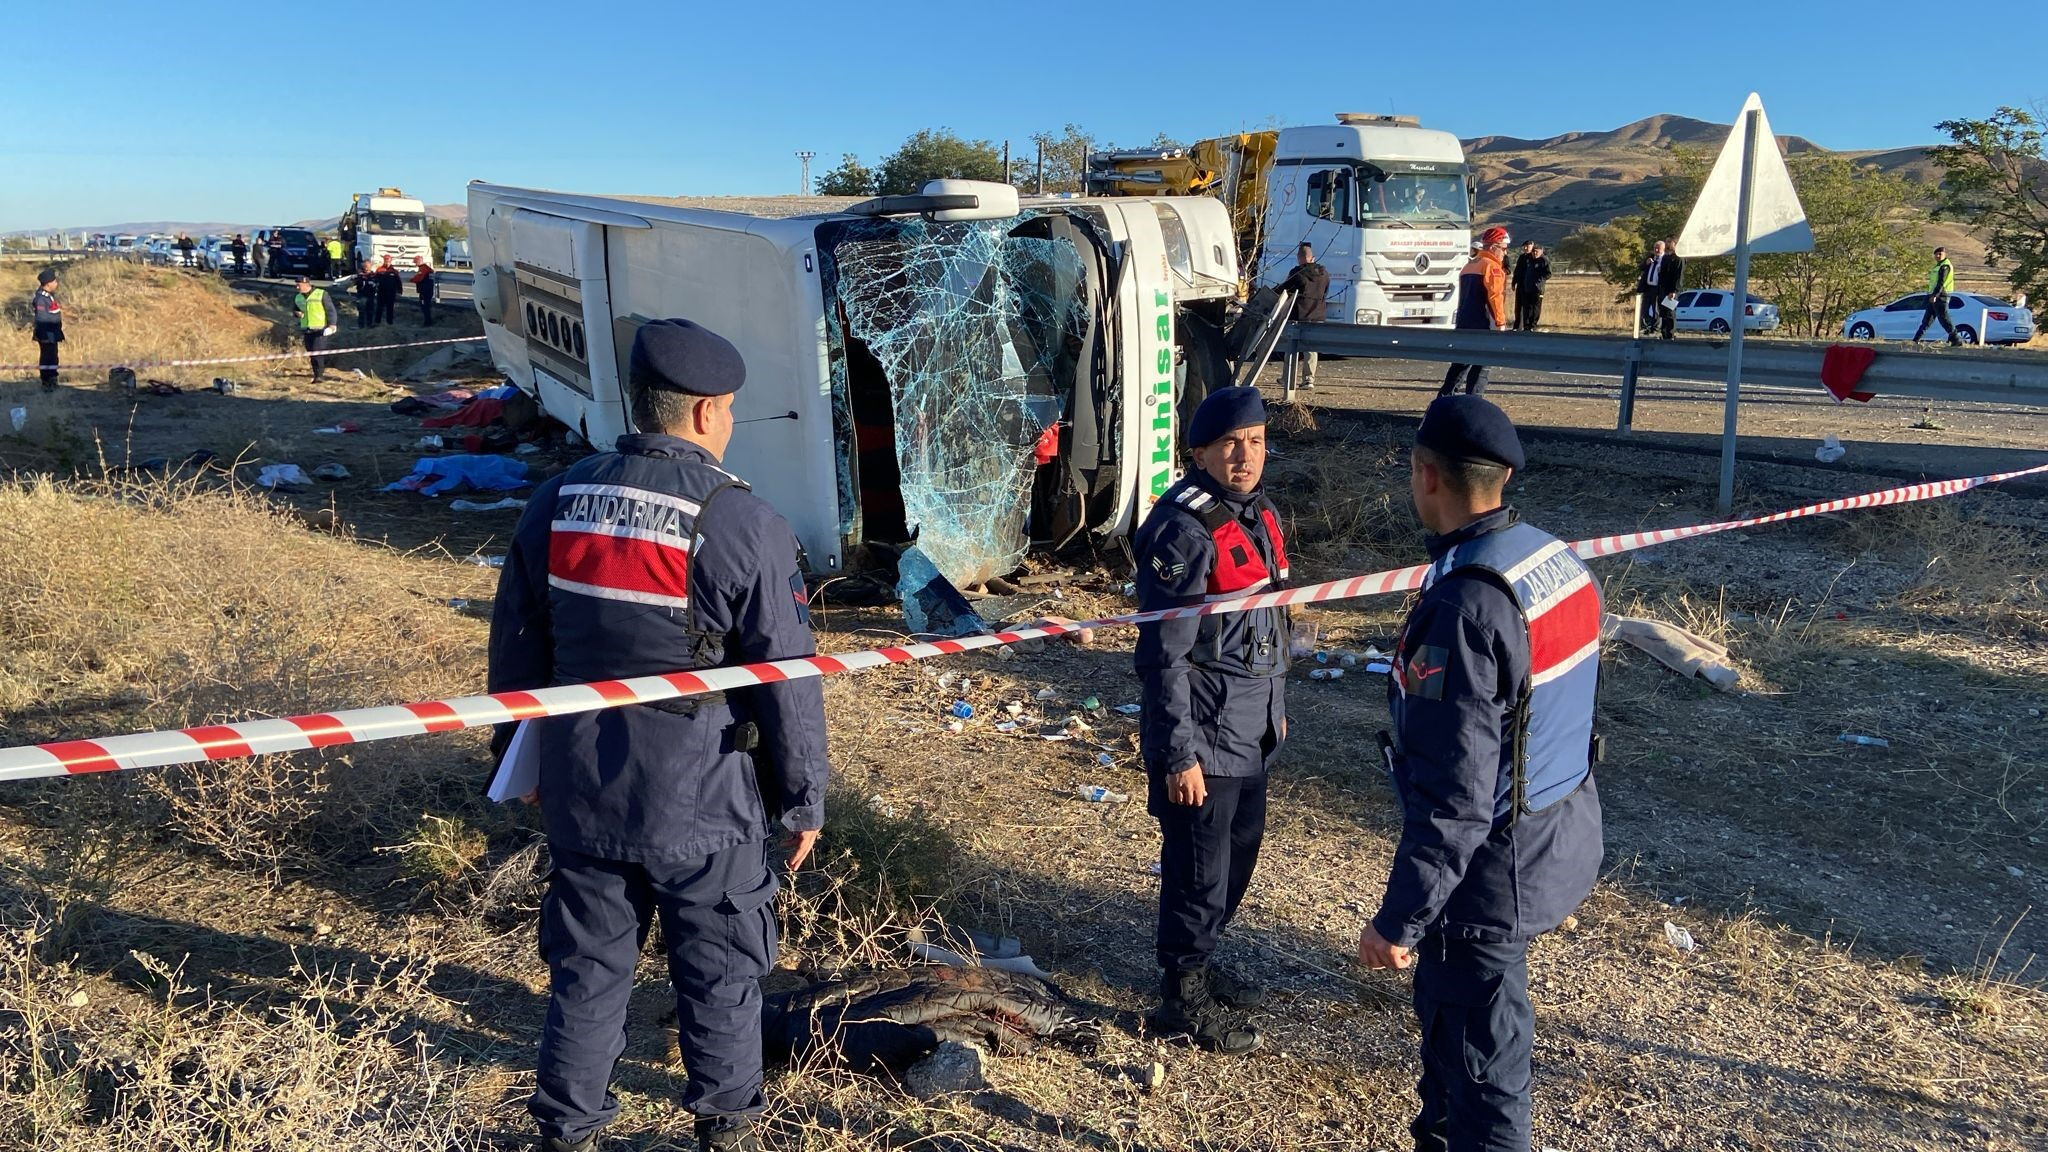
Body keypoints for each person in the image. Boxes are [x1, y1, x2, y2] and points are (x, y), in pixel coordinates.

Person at [487, 318, 831, 1152]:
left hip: (581, 786)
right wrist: (802, 800)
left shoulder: (556, 500)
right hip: (704, 799)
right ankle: (728, 1128)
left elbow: (516, 645)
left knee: (587, 973)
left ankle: (566, 1131)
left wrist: (515, 762)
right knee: (719, 973)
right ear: (709, 411)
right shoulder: (741, 520)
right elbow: (784, 679)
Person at [1357, 395, 1604, 1152]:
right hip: (1558, 832)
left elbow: (1456, 798)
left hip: (1490, 876)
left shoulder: (1465, 606)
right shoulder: (1550, 559)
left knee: (1485, 1072)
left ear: (1426, 476)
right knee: (1458, 1042)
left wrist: (1401, 917)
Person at [1133, 385, 1291, 1056]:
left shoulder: (1257, 514)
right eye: (1230, 444)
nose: (1245, 455)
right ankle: (1181, 998)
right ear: (1198, 452)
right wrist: (1178, 755)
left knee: (1237, 855)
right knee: (1198, 866)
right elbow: (1163, 657)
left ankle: (1202, 961)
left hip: (1252, 727)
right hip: (1205, 734)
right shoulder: (1182, 529)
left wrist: (1277, 716)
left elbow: (1272, 618)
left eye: (1255, 441)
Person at [1441, 226, 1510, 397]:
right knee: (1481, 369)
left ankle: (1442, 402)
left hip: (1464, 323)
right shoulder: (1492, 268)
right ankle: (1474, 402)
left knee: (1459, 367)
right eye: (1503, 248)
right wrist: (1500, 324)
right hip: (1484, 325)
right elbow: (1495, 298)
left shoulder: (1470, 265)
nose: (1505, 253)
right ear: (1493, 247)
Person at [1275, 243, 1330, 388]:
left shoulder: (1297, 273)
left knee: (1291, 347)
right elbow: (1325, 293)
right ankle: (1309, 379)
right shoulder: (1324, 273)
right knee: (1311, 349)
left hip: (1298, 315)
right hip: (1317, 314)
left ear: (1299, 258)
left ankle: (1287, 378)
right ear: (1313, 258)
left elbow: (1283, 289)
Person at [1913, 246, 1964, 346]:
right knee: (1927, 319)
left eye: (1940, 254)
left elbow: (1941, 282)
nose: (1937, 256)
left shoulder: (1945, 266)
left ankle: (1956, 339)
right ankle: (1916, 339)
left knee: (1943, 318)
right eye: (1936, 254)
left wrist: (1935, 295)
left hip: (1941, 295)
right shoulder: (1938, 266)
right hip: (1934, 295)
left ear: (1945, 255)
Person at [293, 275, 339, 383]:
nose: (297, 288)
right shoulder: (298, 297)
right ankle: (320, 370)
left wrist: (332, 325)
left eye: (298, 285)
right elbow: (295, 310)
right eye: (296, 285)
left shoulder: (321, 294)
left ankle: (319, 376)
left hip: (320, 329)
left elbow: (331, 310)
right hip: (307, 329)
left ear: (306, 284)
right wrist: (297, 313)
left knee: (316, 352)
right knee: (311, 353)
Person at [1638, 239, 1683, 339]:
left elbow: (1674, 276)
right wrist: (1646, 263)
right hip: (1648, 288)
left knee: (1659, 310)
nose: (1656, 250)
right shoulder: (1650, 257)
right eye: (1655, 248)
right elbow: (1640, 267)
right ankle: (1647, 327)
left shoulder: (1666, 260)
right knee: (1645, 309)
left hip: (1659, 288)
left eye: (1659, 248)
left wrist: (1673, 290)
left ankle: (1659, 329)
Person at [30, 269, 63, 390]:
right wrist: (45, 337)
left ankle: (52, 380)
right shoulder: (41, 299)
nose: (56, 283)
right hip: (47, 334)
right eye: (54, 281)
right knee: (47, 358)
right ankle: (47, 382)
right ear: (48, 283)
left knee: (53, 357)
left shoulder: (48, 296)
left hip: (52, 333)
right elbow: (42, 319)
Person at [1511, 242, 1551, 331]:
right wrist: (1515, 282)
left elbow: (1548, 274)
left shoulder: (1544, 260)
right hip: (1527, 287)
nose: (1534, 253)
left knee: (1535, 307)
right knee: (1526, 307)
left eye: (1536, 251)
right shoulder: (1527, 259)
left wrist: (1539, 281)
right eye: (1533, 251)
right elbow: (1518, 271)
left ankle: (1533, 325)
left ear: (1541, 251)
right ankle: (1526, 326)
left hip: (1538, 289)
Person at [374, 255, 402, 325]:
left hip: (391, 292)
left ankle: (390, 323)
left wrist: (400, 291)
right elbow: (375, 279)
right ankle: (377, 322)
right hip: (381, 292)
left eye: (388, 261)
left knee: (390, 308)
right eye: (386, 261)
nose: (387, 262)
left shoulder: (394, 271)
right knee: (379, 307)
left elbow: (398, 281)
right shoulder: (379, 269)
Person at [411, 257, 437, 326]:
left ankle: (428, 322)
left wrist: (412, 280)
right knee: (425, 306)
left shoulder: (423, 269)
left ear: (419, 261)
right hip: (427, 290)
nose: (415, 264)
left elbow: (419, 278)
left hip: (425, 291)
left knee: (425, 306)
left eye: (416, 262)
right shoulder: (427, 268)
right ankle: (428, 321)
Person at [354, 259, 379, 327]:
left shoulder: (373, 275)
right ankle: (361, 325)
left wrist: (375, 285)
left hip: (371, 295)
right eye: (365, 266)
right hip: (362, 295)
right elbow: (355, 283)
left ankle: (369, 324)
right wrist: (360, 278)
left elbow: (378, 284)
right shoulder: (360, 275)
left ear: (370, 266)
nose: (366, 268)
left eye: (367, 266)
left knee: (370, 310)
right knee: (361, 310)